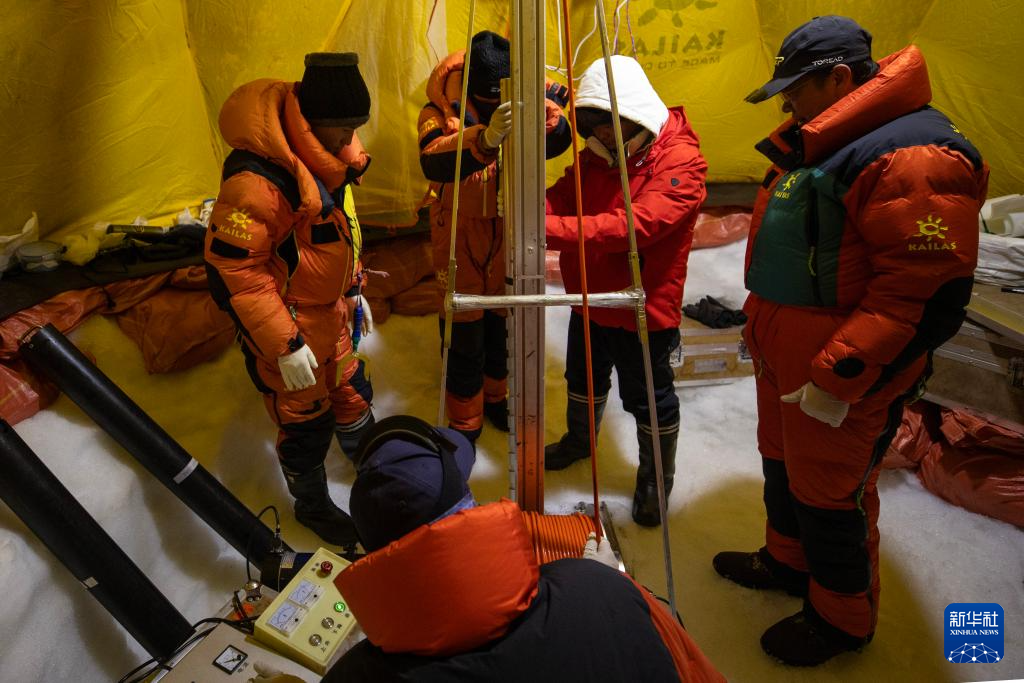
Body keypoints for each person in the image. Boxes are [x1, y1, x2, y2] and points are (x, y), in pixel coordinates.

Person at [713, 15, 988, 666]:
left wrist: (841, 373)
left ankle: (841, 621)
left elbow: (921, 292)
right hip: (790, 350)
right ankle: (787, 562)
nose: (785, 105)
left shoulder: (913, 155)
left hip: (842, 365)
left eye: (794, 90)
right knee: (784, 465)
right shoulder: (829, 139)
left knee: (832, 493)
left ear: (839, 78)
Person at [315, 414, 724, 682]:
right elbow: (694, 669)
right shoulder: (599, 589)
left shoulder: (355, 676)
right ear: (468, 506)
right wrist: (608, 586)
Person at [204, 53, 378, 548]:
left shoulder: (332, 160)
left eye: (355, 128)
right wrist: (285, 344)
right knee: (305, 423)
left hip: (332, 316)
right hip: (290, 328)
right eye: (342, 129)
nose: (350, 139)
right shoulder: (258, 185)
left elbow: (340, 233)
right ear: (311, 122)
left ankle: (376, 471)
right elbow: (236, 271)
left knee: (352, 394)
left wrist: (354, 288)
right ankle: (312, 504)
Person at [543, 55, 708, 527]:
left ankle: (656, 478)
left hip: (642, 306)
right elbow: (563, 192)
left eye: (606, 124)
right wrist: (538, 207)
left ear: (631, 114)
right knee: (582, 378)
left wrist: (547, 229)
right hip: (590, 298)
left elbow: (637, 226)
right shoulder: (599, 152)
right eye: (592, 126)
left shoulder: (680, 160)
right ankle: (579, 442)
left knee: (648, 397)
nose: (598, 134)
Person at [417, 30, 572, 444]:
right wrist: (483, 140)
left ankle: (496, 397)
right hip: (459, 230)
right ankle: (465, 419)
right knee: (463, 329)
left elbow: (560, 136)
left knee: (504, 319)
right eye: (485, 100)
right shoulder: (438, 108)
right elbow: (432, 160)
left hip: (508, 226)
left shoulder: (527, 95)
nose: (491, 105)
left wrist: (545, 119)